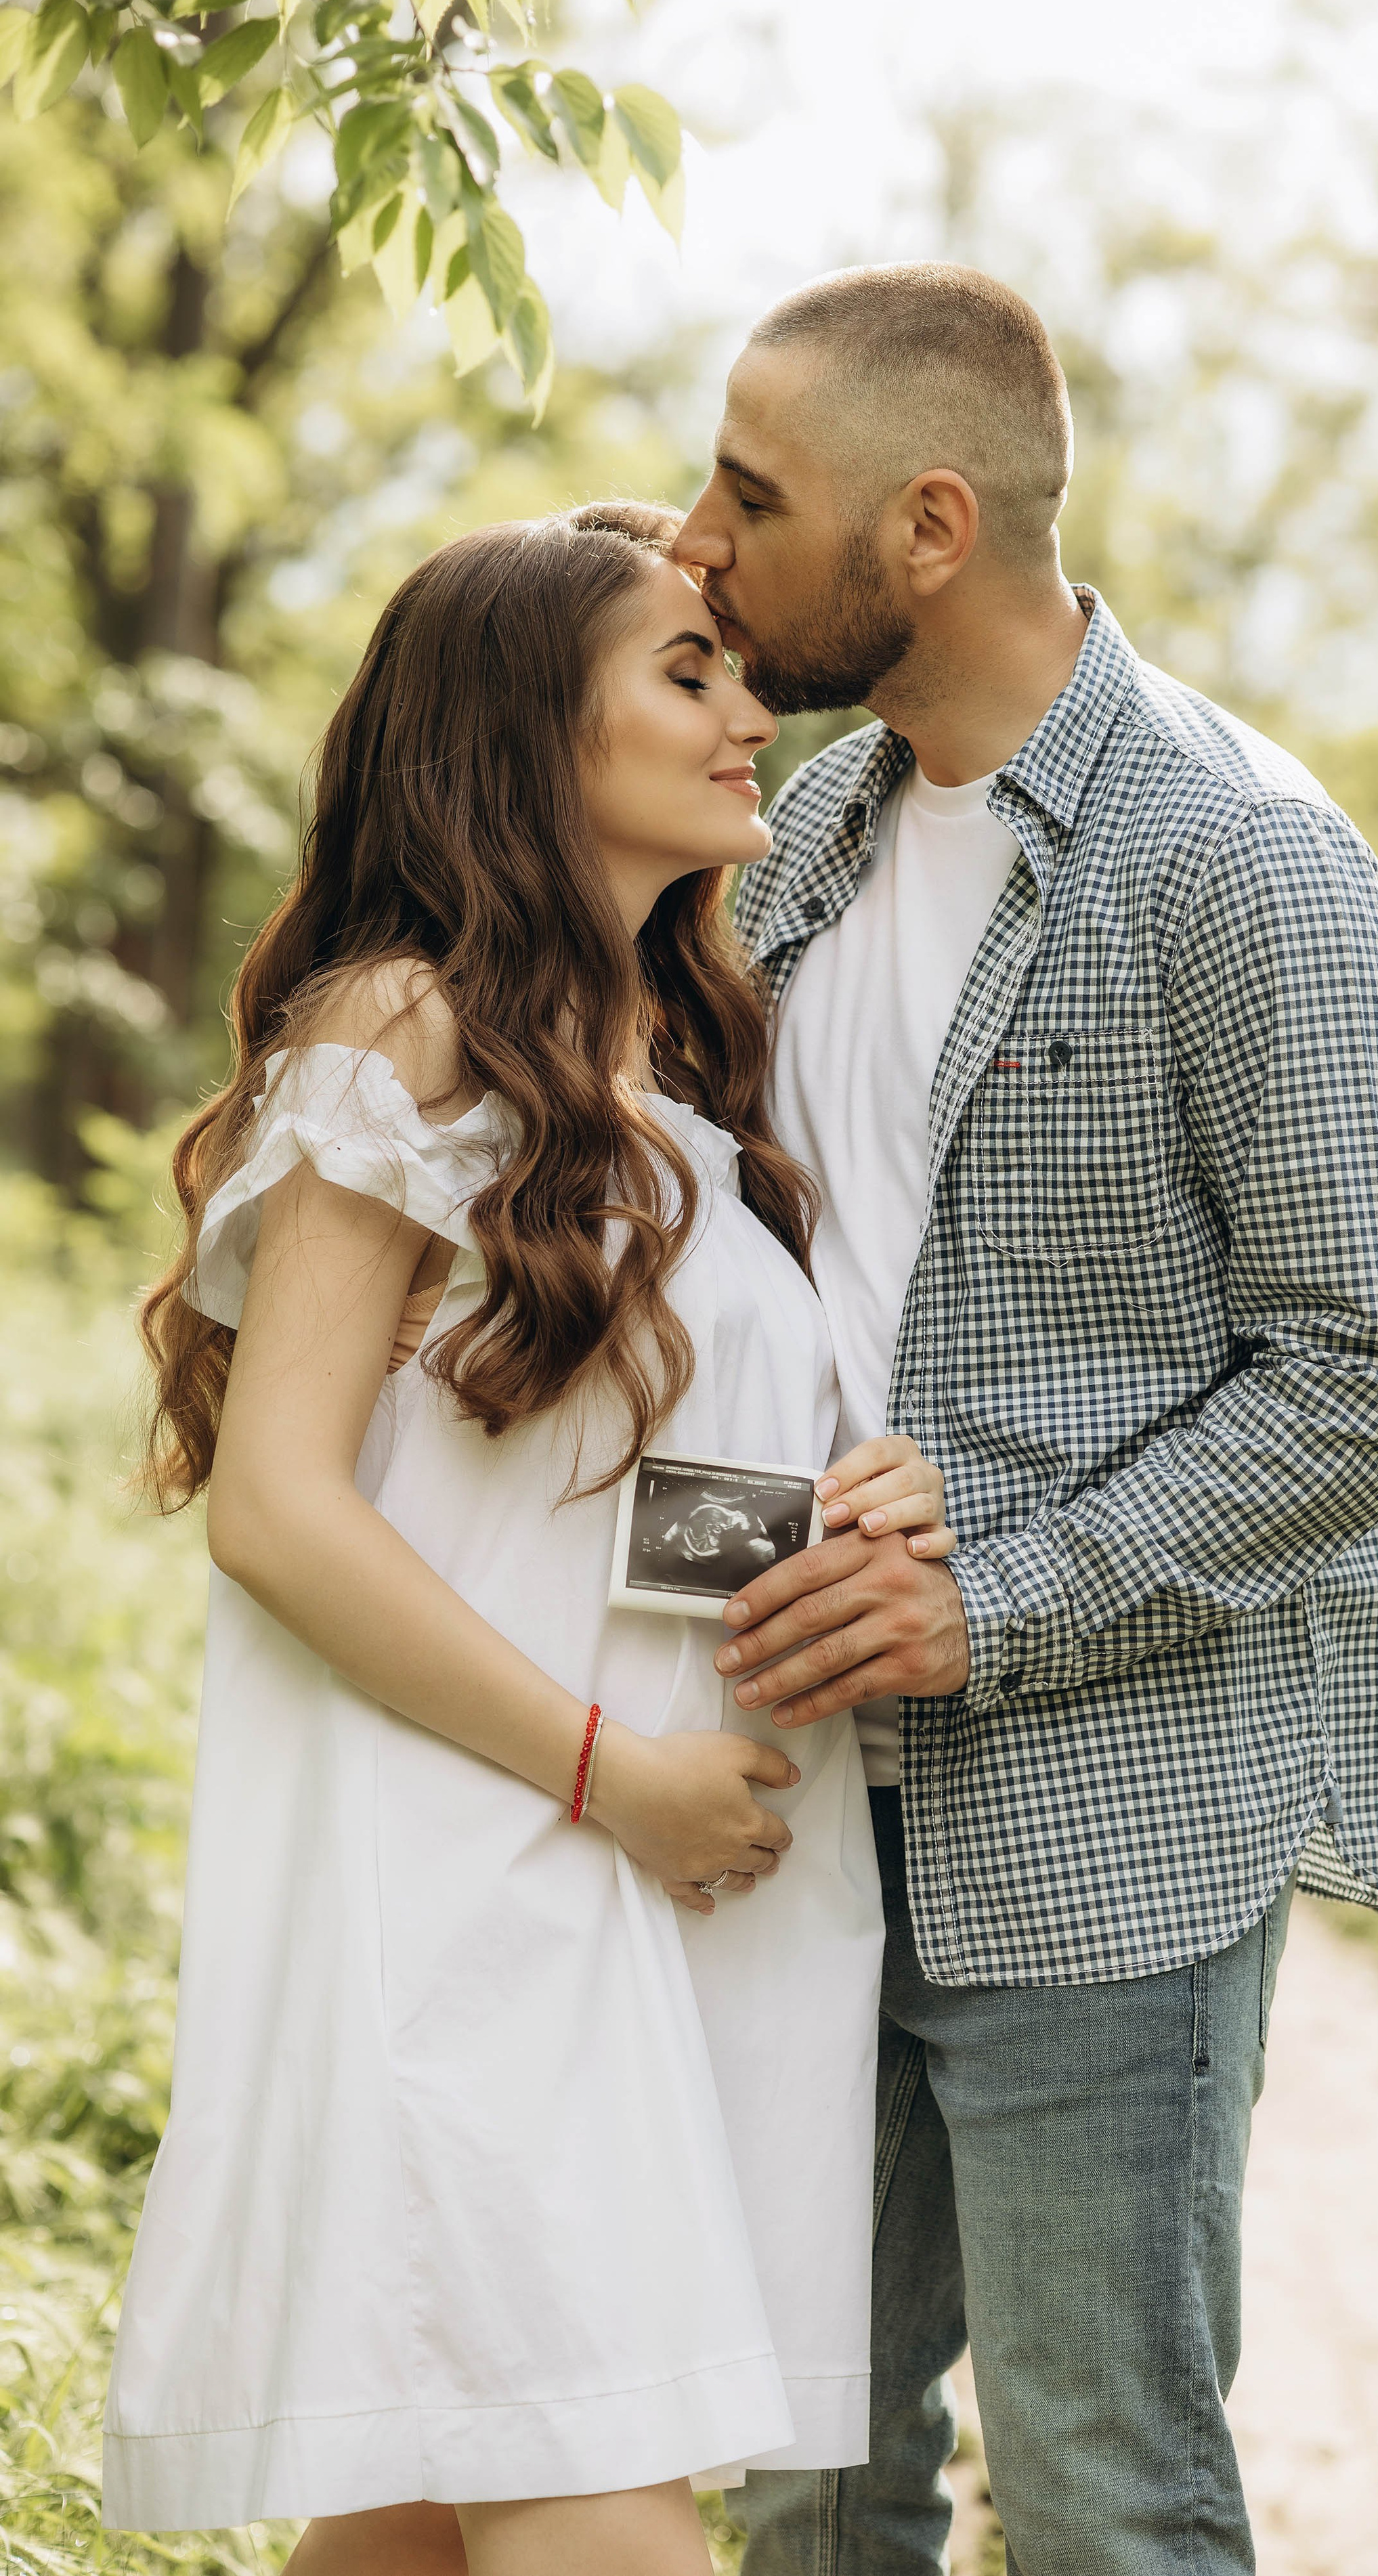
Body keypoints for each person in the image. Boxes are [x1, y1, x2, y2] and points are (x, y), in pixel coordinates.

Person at [672, 265, 1378, 2575]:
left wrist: (985, 1609)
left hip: (1112, 1830)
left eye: (746, 494)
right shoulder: (803, 838)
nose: (701, 541)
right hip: (804, 1804)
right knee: (812, 2479)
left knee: (1105, 2498)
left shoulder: (1247, 862)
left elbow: (1365, 1374)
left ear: (927, 526)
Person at [100, 504, 958, 2576]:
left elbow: (626, 1495)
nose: (755, 712)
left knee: (414, 2526)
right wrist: (617, 1778)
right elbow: (282, 1514)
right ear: (518, 731)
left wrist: (872, 1497)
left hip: (641, 1902)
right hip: (478, 1882)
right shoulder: (400, 1031)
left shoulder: (663, 1085)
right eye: (691, 672)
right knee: (596, 2505)